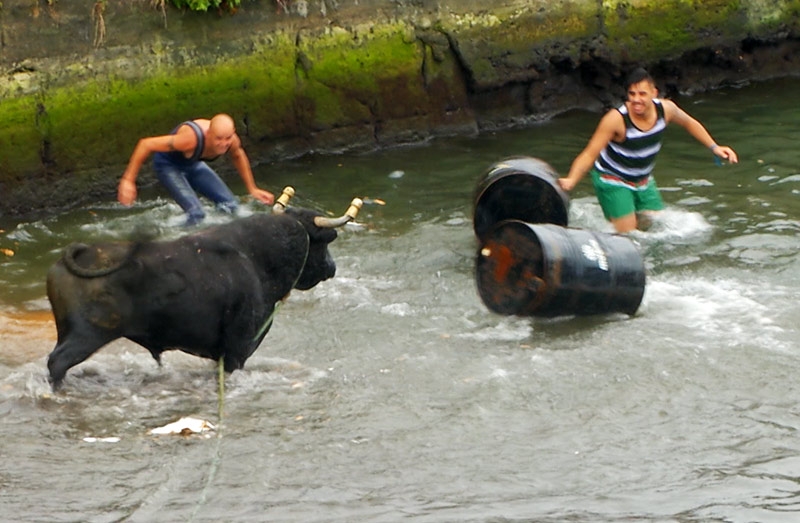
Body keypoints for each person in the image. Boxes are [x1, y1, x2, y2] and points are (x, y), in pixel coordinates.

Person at [557, 68, 738, 233]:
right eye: (632, 94)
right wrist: (572, 179)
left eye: (642, 94)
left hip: (642, 180)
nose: (636, 100)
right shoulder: (616, 120)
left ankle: (612, 219)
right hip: (612, 179)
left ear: (654, 93)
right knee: (629, 236)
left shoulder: (666, 110)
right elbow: (590, 153)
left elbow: (689, 123)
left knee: (655, 226)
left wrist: (714, 147)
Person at [117, 113, 274, 225]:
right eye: (218, 139)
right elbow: (146, 144)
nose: (223, 144)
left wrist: (252, 188)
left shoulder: (231, 141)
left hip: (192, 164)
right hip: (168, 165)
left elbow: (238, 156)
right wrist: (128, 180)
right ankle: (175, 241)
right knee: (197, 214)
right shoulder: (190, 139)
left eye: (227, 139)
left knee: (231, 206)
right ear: (209, 134)